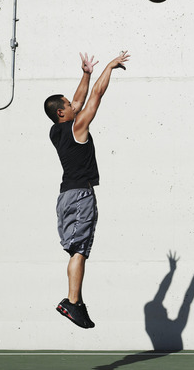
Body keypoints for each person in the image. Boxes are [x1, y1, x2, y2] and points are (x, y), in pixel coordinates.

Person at [43, 51, 129, 329]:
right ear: (61, 112)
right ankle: (72, 302)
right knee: (79, 251)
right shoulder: (77, 127)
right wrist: (109, 68)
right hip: (80, 195)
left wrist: (86, 73)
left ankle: (75, 301)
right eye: (68, 104)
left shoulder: (57, 130)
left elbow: (80, 99)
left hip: (65, 195)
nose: (74, 104)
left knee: (74, 251)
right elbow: (94, 98)